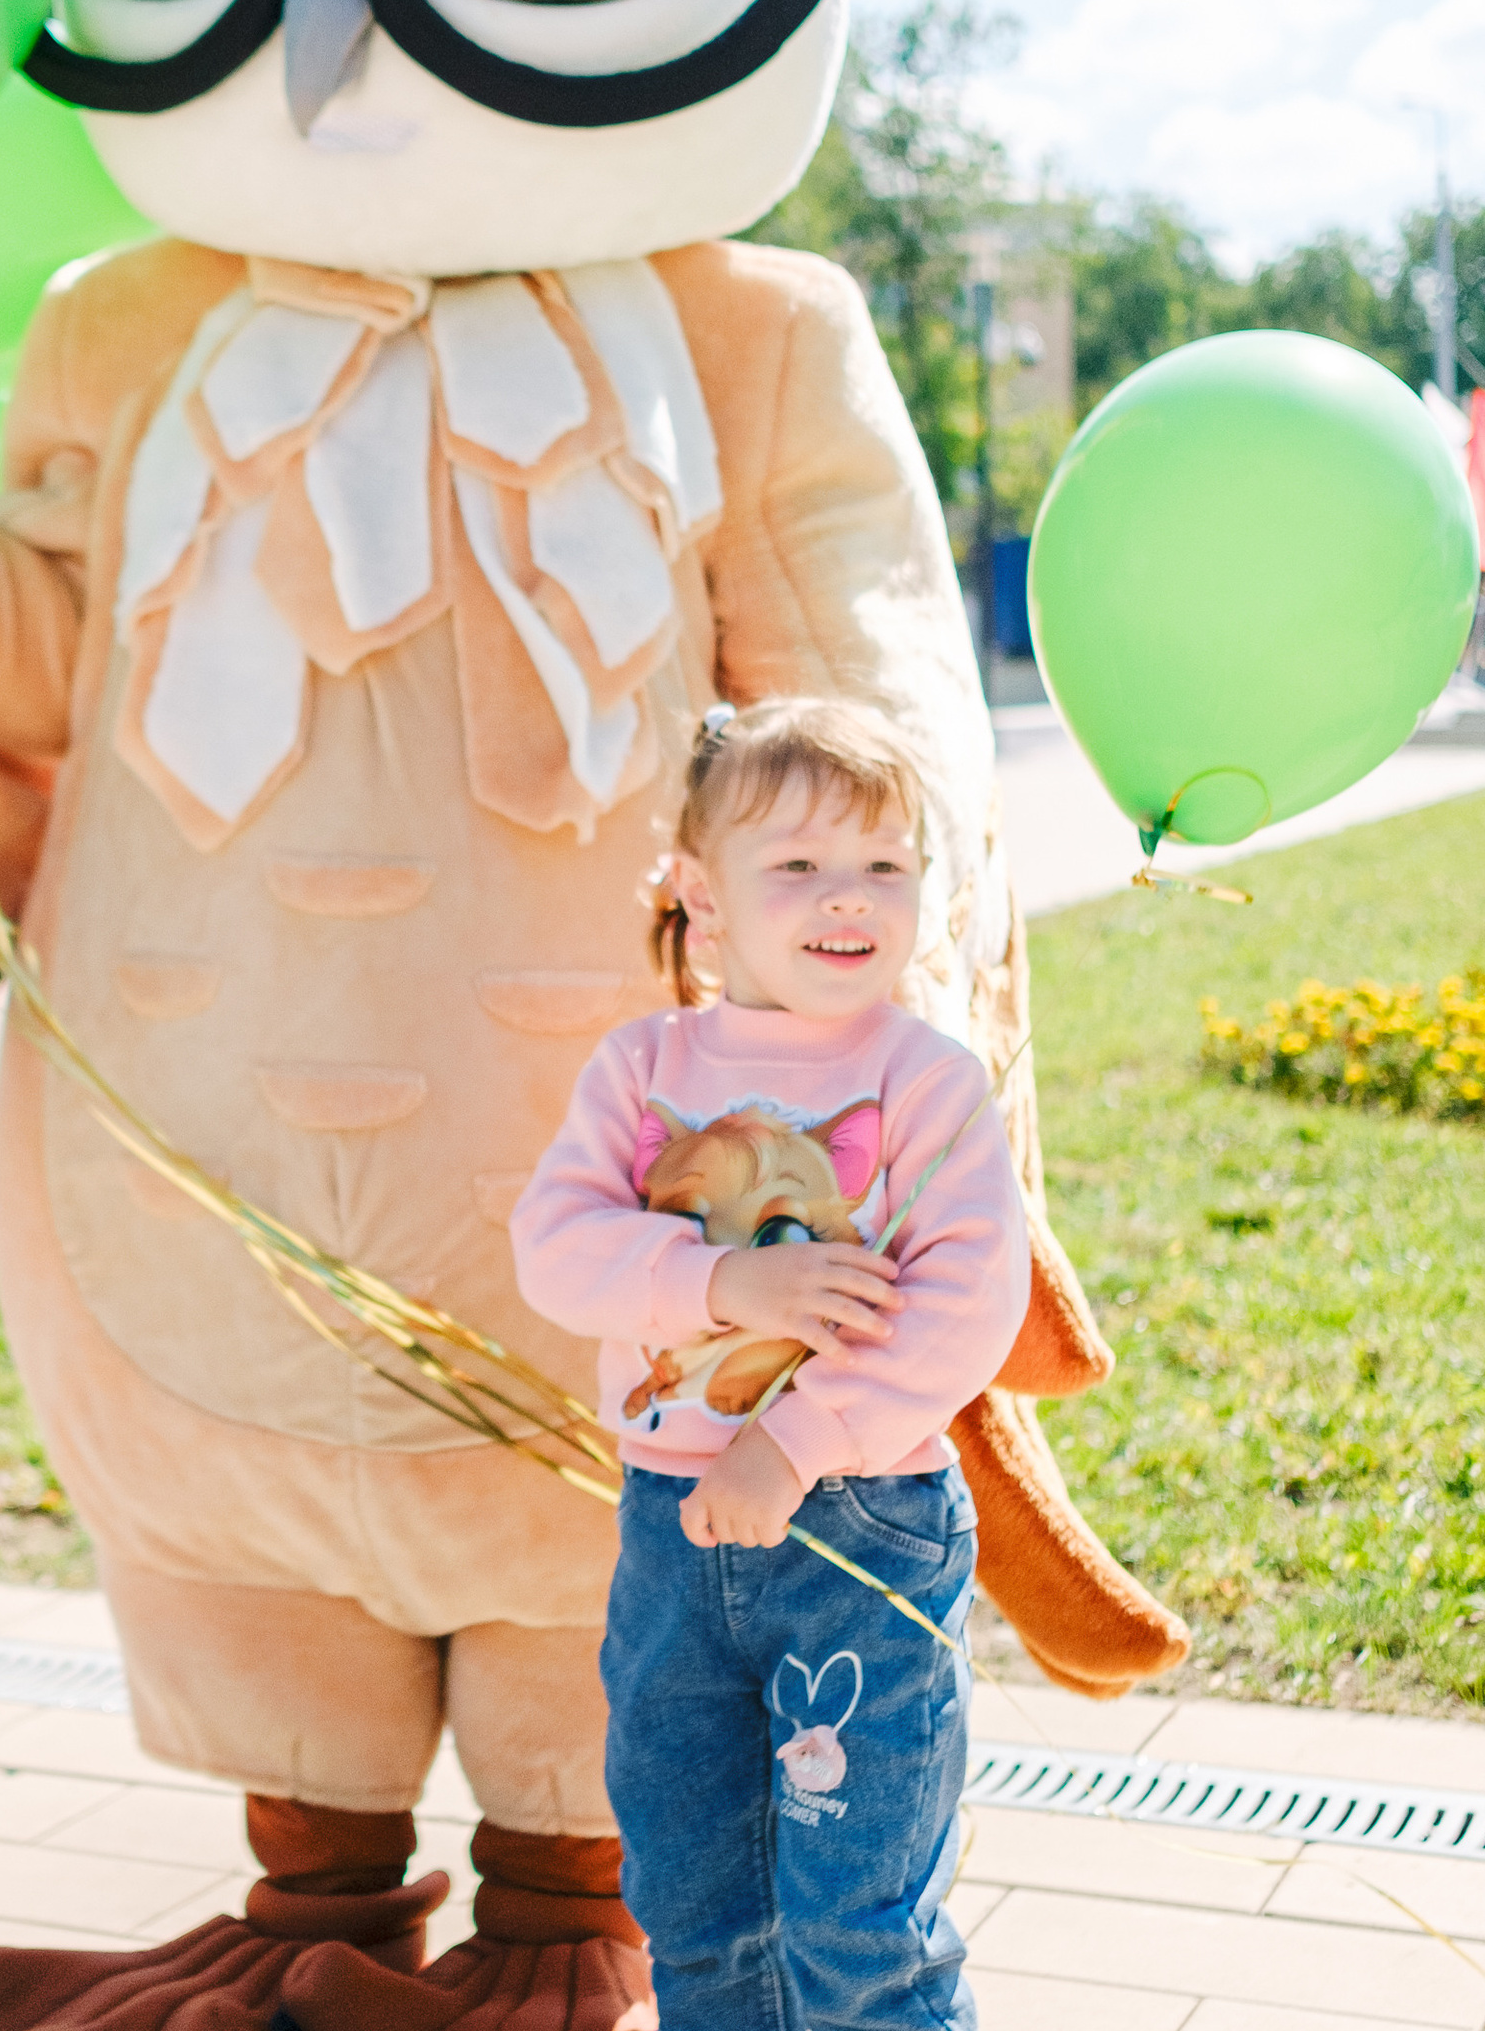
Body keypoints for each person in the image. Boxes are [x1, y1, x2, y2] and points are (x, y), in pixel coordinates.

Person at [511, 696, 1029, 2029]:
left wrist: (795, 1438)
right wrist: (724, 1279)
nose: (845, 898)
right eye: (797, 867)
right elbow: (557, 1248)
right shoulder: (643, 1070)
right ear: (704, 895)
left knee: (860, 1925)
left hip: (863, 1531)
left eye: (884, 868)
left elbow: (968, 1303)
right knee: (695, 1901)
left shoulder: (924, 1079)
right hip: (672, 1540)